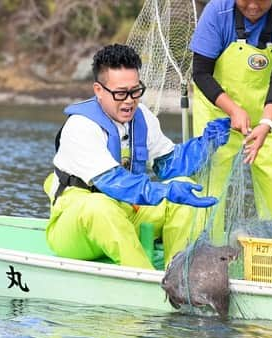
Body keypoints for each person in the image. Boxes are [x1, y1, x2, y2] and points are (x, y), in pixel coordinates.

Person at [43, 44, 231, 270]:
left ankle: (179, 274)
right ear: (98, 90)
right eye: (120, 93)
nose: (130, 100)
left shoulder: (143, 118)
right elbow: (113, 183)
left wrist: (206, 144)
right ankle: (142, 277)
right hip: (76, 224)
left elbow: (169, 164)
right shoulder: (81, 126)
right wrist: (163, 190)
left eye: (135, 91)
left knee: (184, 188)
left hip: (127, 213)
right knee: (99, 205)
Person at [190, 0, 272, 241]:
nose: (253, 6)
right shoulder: (217, 11)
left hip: (270, 118)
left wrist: (266, 124)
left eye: (261, 0)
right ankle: (204, 247)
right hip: (218, 112)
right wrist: (232, 109)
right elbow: (201, 72)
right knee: (209, 186)